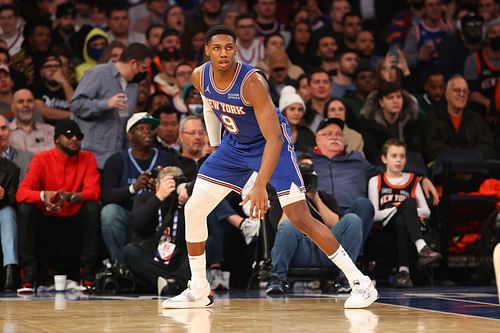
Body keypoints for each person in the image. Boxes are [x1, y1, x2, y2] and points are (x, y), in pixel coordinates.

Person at [162, 25, 377, 309]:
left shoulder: (251, 82)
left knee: (300, 218)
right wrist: (215, 147)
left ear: (236, 49)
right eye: (217, 48)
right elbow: (209, 106)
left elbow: (274, 137)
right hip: (234, 145)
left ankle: (361, 283)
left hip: (269, 143)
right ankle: (199, 289)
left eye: (229, 47)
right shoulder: (199, 76)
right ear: (207, 51)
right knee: (194, 208)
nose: (223, 53)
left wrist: (261, 184)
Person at [16, 119, 101, 292]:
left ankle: (88, 274)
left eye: (78, 136)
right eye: (69, 135)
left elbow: (95, 192)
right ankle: (28, 276)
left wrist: (72, 196)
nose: (74, 139)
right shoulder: (41, 159)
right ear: (56, 139)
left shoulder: (88, 158)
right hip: (46, 221)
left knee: (93, 207)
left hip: (74, 220)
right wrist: (43, 195)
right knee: (25, 208)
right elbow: (21, 193)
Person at [266, 155, 364, 295]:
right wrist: (293, 194)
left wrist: (316, 199)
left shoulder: (324, 197)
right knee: (289, 224)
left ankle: (345, 279)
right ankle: (277, 279)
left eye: (310, 171)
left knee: (352, 220)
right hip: (299, 250)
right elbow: (281, 226)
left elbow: (335, 224)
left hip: (326, 248)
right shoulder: (280, 197)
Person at [101, 112, 179, 264]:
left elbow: (180, 185)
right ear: (130, 135)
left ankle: (165, 266)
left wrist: (158, 189)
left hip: (158, 213)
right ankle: (120, 266)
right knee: (109, 213)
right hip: (128, 212)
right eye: (141, 128)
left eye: (149, 129)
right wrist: (134, 188)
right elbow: (107, 196)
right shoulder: (117, 160)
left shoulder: (167, 158)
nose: (146, 132)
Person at [368, 139, 441, 287]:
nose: (398, 160)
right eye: (394, 156)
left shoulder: (413, 180)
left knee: (403, 218)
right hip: (386, 226)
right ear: (384, 159)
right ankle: (422, 248)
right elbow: (375, 214)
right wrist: (400, 207)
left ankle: (403, 272)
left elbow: (426, 211)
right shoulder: (375, 181)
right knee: (407, 204)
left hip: (408, 227)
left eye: (402, 156)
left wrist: (406, 212)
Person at [70, 43, 152, 169]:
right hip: (90, 156)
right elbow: (76, 104)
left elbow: (125, 122)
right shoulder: (98, 73)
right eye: (144, 68)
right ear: (133, 63)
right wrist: (106, 104)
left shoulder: (133, 87)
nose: (145, 73)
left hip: (116, 158)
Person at [123, 165, 190, 295]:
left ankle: (172, 283)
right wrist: (159, 197)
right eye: (168, 182)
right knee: (129, 251)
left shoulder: (187, 202)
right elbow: (137, 224)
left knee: (206, 242)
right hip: (152, 257)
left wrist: (183, 205)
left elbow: (190, 235)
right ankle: (176, 283)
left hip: (178, 257)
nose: (172, 186)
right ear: (157, 185)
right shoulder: (146, 197)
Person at [424, 75, 496, 162]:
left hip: (473, 168)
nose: (461, 94)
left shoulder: (476, 119)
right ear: (447, 94)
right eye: (456, 90)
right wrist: (457, 157)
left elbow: (487, 145)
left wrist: (468, 158)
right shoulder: (433, 117)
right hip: (444, 169)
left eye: (465, 91)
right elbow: (431, 146)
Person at [32, 54, 74, 125]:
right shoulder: (36, 88)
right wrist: (73, 115)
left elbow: (76, 106)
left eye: (56, 66)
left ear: (62, 70)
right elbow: (43, 112)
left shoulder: (72, 87)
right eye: (48, 66)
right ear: (42, 72)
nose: (53, 69)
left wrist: (64, 82)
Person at [9, 89, 54, 154]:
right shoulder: (5, 133)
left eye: (29, 101)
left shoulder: (49, 131)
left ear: (35, 105)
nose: (26, 105)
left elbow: (51, 155)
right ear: (12, 107)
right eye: (21, 101)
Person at [0, 153, 19, 292]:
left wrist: (4, 195)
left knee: (8, 214)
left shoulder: (11, 169)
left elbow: (14, 199)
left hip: (1, 208)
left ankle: (10, 271)